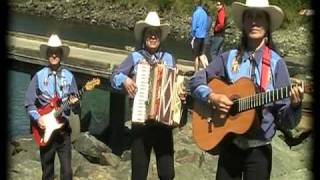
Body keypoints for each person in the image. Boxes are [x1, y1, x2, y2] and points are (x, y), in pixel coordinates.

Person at [189, 0, 304, 179]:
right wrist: (212, 97)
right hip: (230, 144)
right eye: (249, 16)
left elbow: (286, 122)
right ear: (243, 23)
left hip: (259, 150)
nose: (254, 21)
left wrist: (295, 107)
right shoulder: (228, 57)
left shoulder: (276, 64)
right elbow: (196, 80)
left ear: (268, 24)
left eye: (259, 16)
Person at [111, 11, 186, 180]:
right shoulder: (134, 57)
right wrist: (125, 80)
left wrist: (180, 94)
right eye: (149, 33)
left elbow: (175, 86)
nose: (153, 36)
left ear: (160, 37)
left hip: (163, 124)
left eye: (156, 33)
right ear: (144, 36)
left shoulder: (169, 58)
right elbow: (114, 76)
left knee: (167, 174)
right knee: (139, 173)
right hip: (141, 123)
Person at [25, 34, 79, 180]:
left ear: (61, 54)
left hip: (63, 131)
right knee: (47, 172)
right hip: (45, 131)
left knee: (67, 173)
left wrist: (75, 103)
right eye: (51, 51)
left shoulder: (69, 76)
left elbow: (76, 106)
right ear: (47, 54)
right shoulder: (38, 76)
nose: (54, 55)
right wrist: (38, 119)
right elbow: (29, 103)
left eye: (57, 51)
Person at [191, 0, 208, 71]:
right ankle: (206, 68)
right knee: (201, 54)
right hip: (203, 36)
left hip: (197, 36)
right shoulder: (205, 13)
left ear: (196, 4)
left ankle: (196, 72)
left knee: (196, 56)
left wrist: (192, 36)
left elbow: (193, 27)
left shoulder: (196, 13)